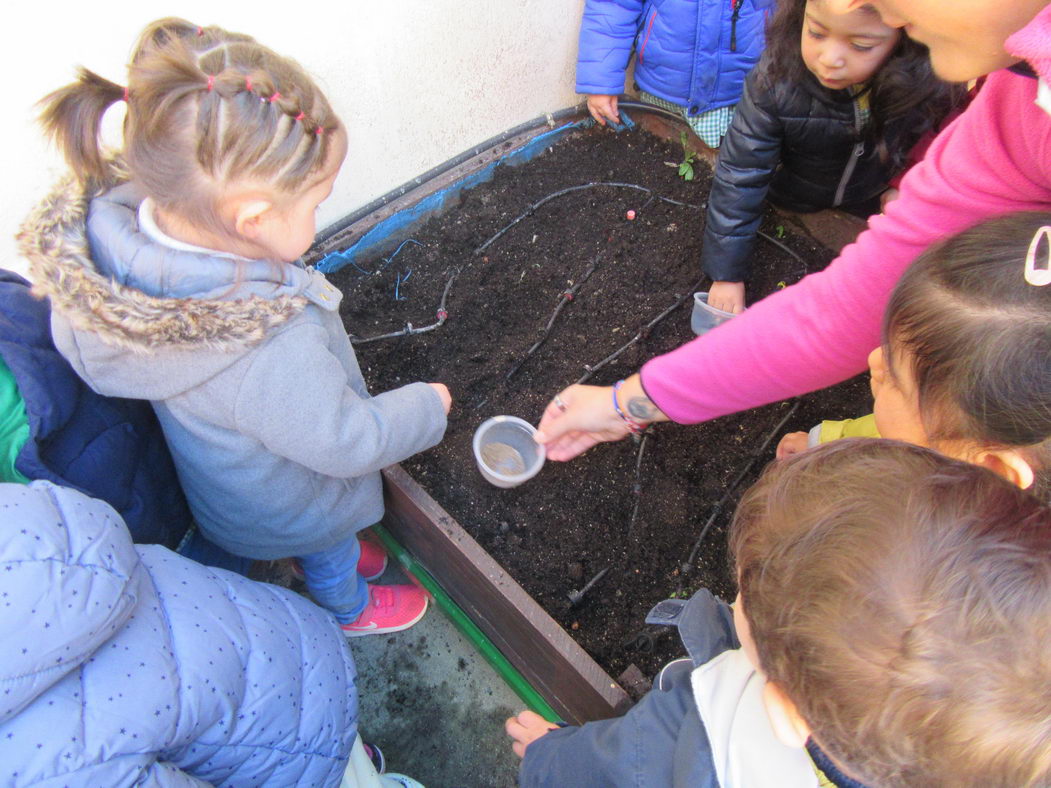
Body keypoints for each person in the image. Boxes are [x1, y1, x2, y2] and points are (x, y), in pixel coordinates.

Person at [17, 19, 451, 637]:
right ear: (250, 218)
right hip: (294, 503)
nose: (317, 214)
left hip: (228, 482)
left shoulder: (131, 247)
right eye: (314, 203)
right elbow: (345, 441)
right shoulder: (262, 343)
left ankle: (323, 563)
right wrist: (425, 408)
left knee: (316, 538)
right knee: (329, 548)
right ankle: (346, 604)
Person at [532, 0, 1051, 463]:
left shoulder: (951, 87)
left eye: (862, 38)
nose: (858, 4)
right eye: (818, 28)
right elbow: (846, 307)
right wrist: (627, 403)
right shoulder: (1020, 106)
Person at [506, 439, 1051, 786]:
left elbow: (614, 766)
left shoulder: (706, 737)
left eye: (745, 598)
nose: (736, 597)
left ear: (787, 711)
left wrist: (547, 756)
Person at [0, 480, 421, 787]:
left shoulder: (36, 760)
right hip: (276, 638)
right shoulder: (15, 528)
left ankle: (350, 766)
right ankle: (352, 761)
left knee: (318, 750)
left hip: (260, 734)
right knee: (321, 733)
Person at [702, 0, 962, 314]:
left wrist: (904, 183)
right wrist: (727, 273)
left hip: (868, 199)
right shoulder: (774, 81)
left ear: (905, 37)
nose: (830, 59)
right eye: (816, 33)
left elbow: (937, 139)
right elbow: (740, 175)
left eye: (861, 45)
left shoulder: (924, 83)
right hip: (792, 197)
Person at [775, 212, 1051, 502]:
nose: (874, 360)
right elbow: (884, 429)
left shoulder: (904, 526)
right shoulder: (946, 437)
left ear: (989, 466)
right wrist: (823, 443)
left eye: (895, 378)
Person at [576, 0, 770, 148]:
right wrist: (601, 81)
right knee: (659, 158)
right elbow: (613, 6)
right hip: (663, 93)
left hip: (740, 97)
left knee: (733, 177)